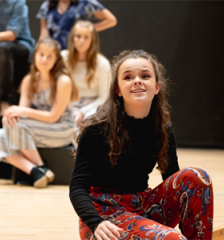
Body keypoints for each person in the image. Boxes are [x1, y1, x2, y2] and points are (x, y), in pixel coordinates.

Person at [70, 50, 214, 239]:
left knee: (197, 176)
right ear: (118, 90)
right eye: (128, 77)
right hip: (104, 218)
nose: (137, 80)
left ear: (156, 87)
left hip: (142, 207)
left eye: (145, 76)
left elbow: (174, 180)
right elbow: (77, 187)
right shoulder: (97, 129)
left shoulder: (162, 128)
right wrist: (95, 222)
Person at [0, 38, 78, 188]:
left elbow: (53, 117)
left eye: (49, 56)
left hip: (61, 129)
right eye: (41, 54)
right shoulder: (28, 80)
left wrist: (20, 111)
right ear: (35, 55)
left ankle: (40, 167)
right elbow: (21, 117)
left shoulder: (63, 81)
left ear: (56, 59)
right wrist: (10, 115)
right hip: (36, 129)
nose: (44, 59)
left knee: (16, 126)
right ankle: (37, 170)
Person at [62, 20, 110, 126]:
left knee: (89, 123)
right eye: (78, 36)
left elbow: (104, 98)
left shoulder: (102, 64)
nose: (81, 41)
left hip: (93, 105)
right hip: (67, 103)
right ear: (72, 38)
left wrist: (82, 112)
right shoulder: (63, 58)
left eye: (86, 37)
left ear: (92, 40)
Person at [37, 0, 117, 50]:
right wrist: (40, 50)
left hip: (77, 51)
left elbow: (111, 20)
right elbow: (44, 33)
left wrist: (87, 30)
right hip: (54, 52)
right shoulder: (47, 5)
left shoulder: (84, 2)